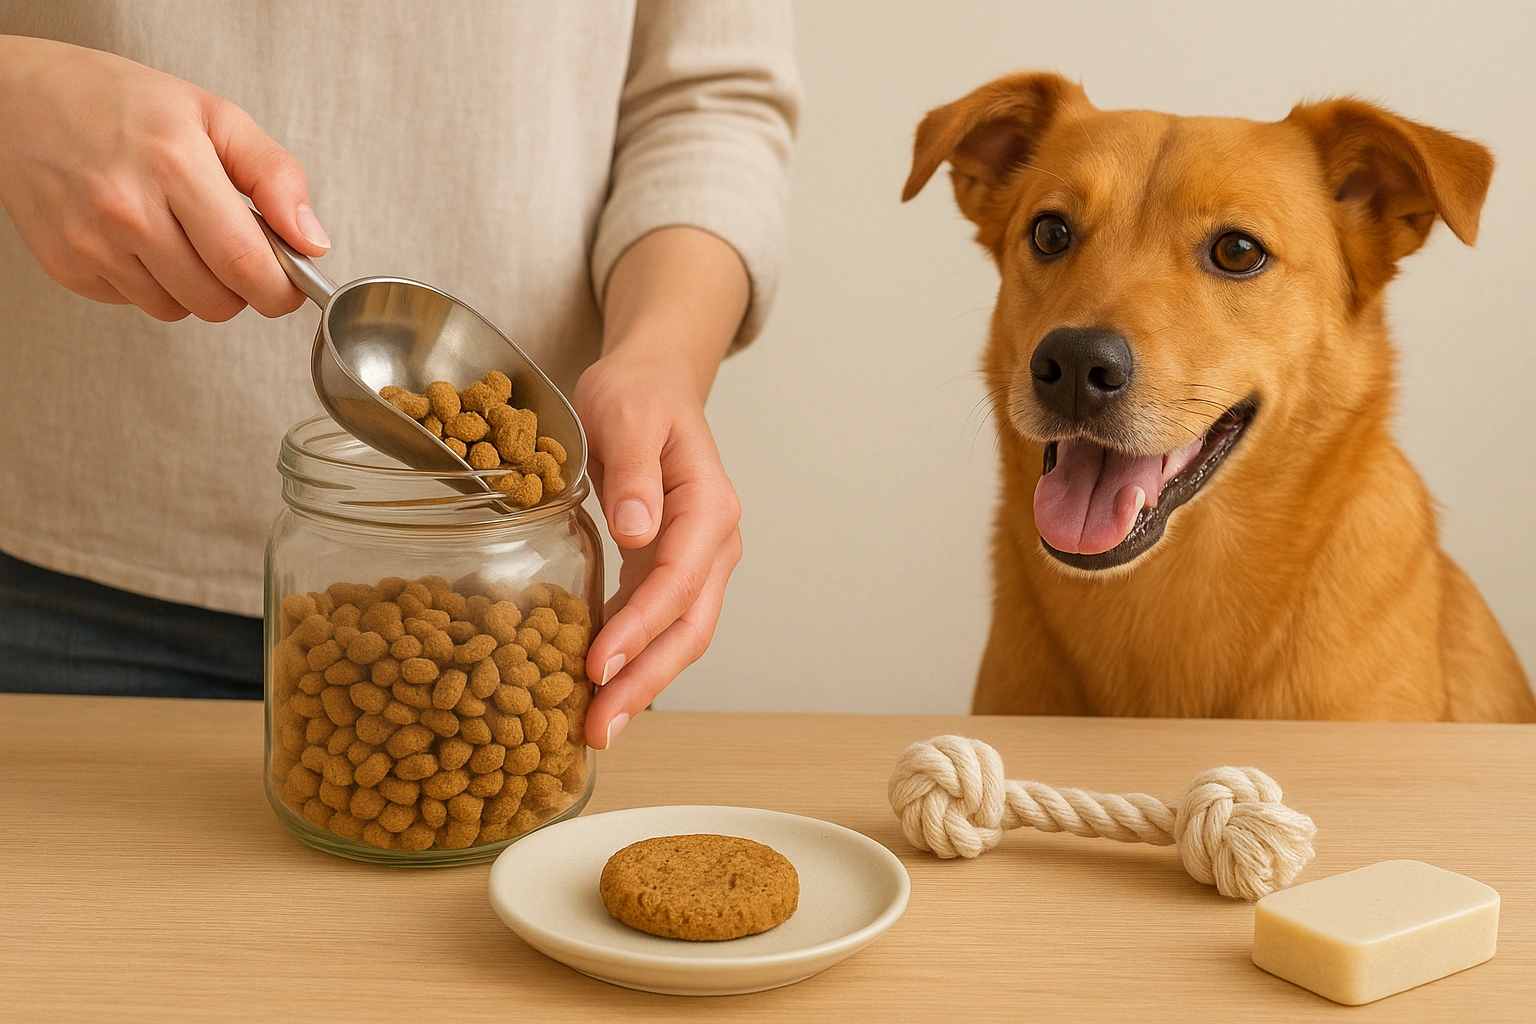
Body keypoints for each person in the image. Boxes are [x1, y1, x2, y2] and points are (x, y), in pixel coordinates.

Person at [0, 3, 799, 751]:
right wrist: (18, 91)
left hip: (516, 590)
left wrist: (661, 358)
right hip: (65, 570)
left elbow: (707, 100)